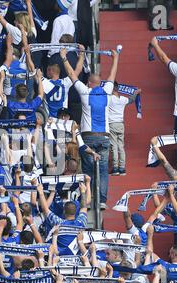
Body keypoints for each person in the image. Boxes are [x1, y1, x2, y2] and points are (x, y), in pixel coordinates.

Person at [60, 47, 119, 208]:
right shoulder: (107, 91)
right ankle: (102, 201)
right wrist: (115, 59)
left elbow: (72, 75)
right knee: (103, 170)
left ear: (90, 83)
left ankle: (88, 198)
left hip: (88, 137)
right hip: (104, 137)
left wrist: (64, 58)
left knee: (88, 170)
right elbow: (112, 76)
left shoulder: (85, 92)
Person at [109, 82, 141, 176]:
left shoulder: (109, 98)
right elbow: (131, 99)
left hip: (112, 124)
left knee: (114, 146)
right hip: (121, 125)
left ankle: (115, 168)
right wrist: (136, 92)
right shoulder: (123, 99)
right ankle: (122, 168)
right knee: (121, 146)